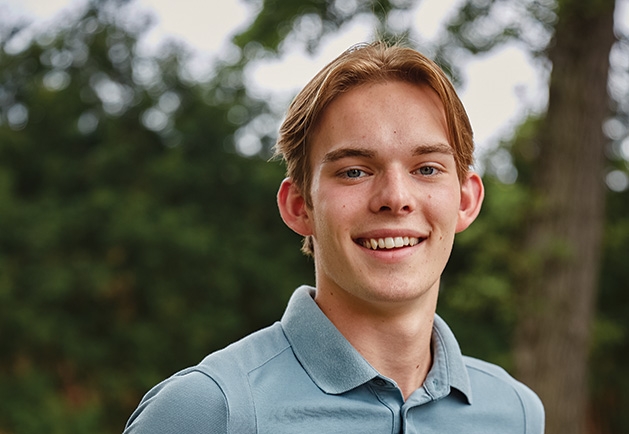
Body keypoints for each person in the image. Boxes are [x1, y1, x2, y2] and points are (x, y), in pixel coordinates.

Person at [123, 41, 545, 433]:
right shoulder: (208, 411)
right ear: (298, 206)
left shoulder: (516, 413)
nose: (395, 198)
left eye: (427, 169)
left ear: (466, 201)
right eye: (354, 171)